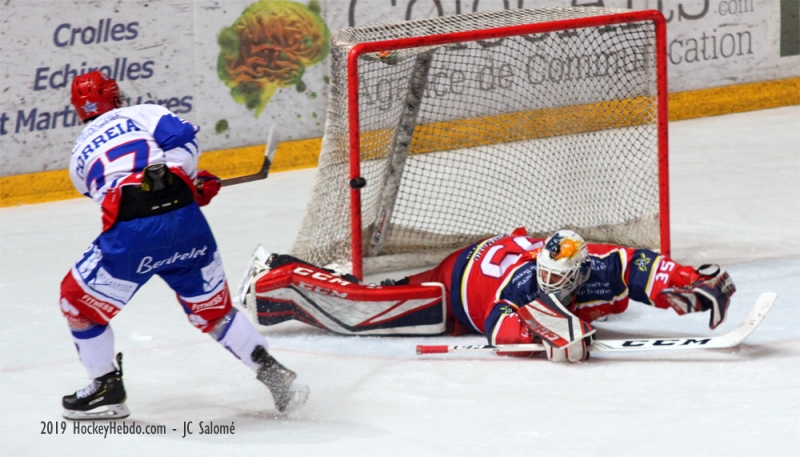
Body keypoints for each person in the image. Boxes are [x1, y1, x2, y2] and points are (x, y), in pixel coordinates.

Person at [59, 70, 307, 420]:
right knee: (215, 313)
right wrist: (185, 183)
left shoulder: (77, 158)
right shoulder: (144, 113)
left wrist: (173, 187)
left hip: (132, 238)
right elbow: (185, 144)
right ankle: (273, 373)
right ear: (114, 95)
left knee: (78, 306)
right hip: (187, 226)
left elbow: (118, 193)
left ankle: (106, 388)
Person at [242, 228, 736, 363]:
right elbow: (500, 329)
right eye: (547, 274)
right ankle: (274, 277)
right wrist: (547, 335)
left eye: (562, 278)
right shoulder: (524, 282)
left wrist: (692, 280)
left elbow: (641, 266)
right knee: (365, 310)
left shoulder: (597, 263)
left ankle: (293, 270)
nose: (552, 284)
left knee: (380, 293)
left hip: (486, 259)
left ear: (580, 270)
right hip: (457, 287)